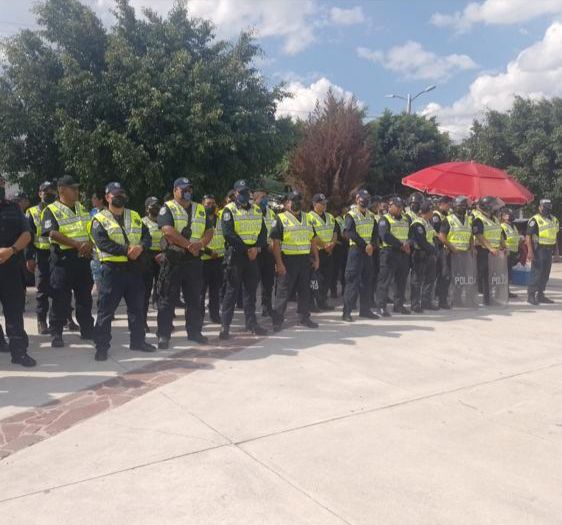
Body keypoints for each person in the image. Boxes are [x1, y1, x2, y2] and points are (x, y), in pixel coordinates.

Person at [90, 183, 155, 361]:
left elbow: (147, 236)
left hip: (134, 270)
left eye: (122, 193)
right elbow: (102, 242)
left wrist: (141, 247)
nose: (120, 196)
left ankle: (138, 341)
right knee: (106, 311)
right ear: (107, 197)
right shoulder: (99, 219)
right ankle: (102, 347)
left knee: (137, 308)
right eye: (115, 194)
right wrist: (127, 250)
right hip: (112, 271)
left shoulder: (134, 215)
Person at [156, 177, 213, 348]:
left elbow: (209, 230)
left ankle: (194, 332)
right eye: (183, 189)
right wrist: (188, 244)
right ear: (175, 191)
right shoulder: (167, 208)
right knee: (167, 299)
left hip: (194, 261)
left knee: (194, 299)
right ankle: (164, 335)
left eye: (189, 189)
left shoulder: (200, 209)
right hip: (174, 261)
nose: (187, 192)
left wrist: (201, 244)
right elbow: (167, 230)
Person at [41, 175, 94, 348]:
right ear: (62, 190)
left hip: (82, 260)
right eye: (73, 188)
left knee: (84, 298)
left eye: (77, 188)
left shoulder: (81, 208)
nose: (77, 191)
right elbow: (52, 233)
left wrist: (89, 244)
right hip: (63, 262)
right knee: (60, 299)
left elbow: (90, 228)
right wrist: (77, 244)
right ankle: (56, 333)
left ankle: (87, 329)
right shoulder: (51, 210)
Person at [219, 180, 268, 339]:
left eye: (247, 192)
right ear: (235, 193)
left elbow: (263, 232)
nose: (245, 195)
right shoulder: (229, 210)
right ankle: (225, 326)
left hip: (252, 255)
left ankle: (251, 323)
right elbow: (228, 234)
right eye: (241, 192)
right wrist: (247, 249)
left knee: (251, 292)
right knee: (231, 292)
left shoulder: (256, 210)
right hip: (236, 256)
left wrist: (256, 248)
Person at [270, 191, 319, 332]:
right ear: (287, 203)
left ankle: (304, 317)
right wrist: (279, 263)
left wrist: (316, 258)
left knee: (305, 290)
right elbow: (275, 243)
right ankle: (277, 320)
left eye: (298, 200)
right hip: (288, 260)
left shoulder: (308, 218)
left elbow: (313, 240)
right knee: (283, 291)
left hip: (304, 259)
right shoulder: (280, 218)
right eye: (293, 200)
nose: (296, 202)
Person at [0, 175, 36, 367]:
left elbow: (27, 233)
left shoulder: (13, 208)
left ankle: (19, 353)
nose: (1, 185)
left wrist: (11, 250)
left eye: (2, 182)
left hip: (11, 268)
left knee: (14, 312)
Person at [25, 181, 58, 335]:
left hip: (58, 253)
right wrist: (29, 257)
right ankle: (41, 321)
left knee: (61, 288)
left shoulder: (59, 209)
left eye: (52, 190)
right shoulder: (31, 212)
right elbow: (28, 237)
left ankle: (64, 319)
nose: (49, 193)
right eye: (46, 191)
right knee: (42, 289)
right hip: (42, 255)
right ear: (40, 193)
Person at [342, 189, 379, 321]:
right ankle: (347, 312)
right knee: (352, 282)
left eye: (366, 199)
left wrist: (372, 246)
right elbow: (349, 233)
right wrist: (366, 245)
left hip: (368, 252)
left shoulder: (371, 216)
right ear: (357, 199)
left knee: (367, 281)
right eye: (362, 199)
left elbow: (375, 234)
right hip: (356, 251)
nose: (364, 202)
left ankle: (365, 310)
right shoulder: (351, 215)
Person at [376, 196, 411, 316]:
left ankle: (398, 305)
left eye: (401, 206)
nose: (400, 208)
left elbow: (411, 234)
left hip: (403, 254)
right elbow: (385, 236)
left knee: (401, 281)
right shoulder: (384, 219)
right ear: (390, 206)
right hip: (389, 253)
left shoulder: (406, 219)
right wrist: (400, 244)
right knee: (384, 281)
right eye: (397, 206)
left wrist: (408, 244)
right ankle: (381, 307)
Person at [526, 199, 559, 305]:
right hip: (538, 249)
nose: (546, 209)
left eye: (548, 207)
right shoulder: (534, 220)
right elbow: (528, 236)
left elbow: (555, 236)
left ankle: (540, 295)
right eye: (544, 207)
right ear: (540, 207)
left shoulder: (554, 220)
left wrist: (557, 251)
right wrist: (530, 251)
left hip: (549, 250)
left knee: (545, 273)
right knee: (536, 272)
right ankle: (531, 295)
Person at [472, 196, 503, 305]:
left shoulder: (495, 219)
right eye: (492, 206)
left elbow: (499, 234)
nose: (494, 208)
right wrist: (490, 248)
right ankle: (472, 298)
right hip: (483, 250)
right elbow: (479, 235)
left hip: (493, 252)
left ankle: (488, 299)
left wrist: (503, 246)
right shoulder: (478, 219)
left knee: (490, 277)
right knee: (480, 275)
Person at [308, 193, 337, 311]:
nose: (325, 205)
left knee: (327, 278)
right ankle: (312, 303)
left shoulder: (330, 216)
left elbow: (335, 232)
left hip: (329, 252)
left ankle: (322, 301)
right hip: (316, 252)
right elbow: (312, 235)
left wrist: (332, 243)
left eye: (325, 203)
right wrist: (324, 245)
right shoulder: (309, 217)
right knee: (315, 280)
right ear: (315, 204)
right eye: (322, 203)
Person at [200, 194, 224, 325]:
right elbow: (195, 240)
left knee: (216, 290)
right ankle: (200, 316)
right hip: (203, 259)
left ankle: (214, 314)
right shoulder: (199, 220)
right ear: (202, 204)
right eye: (208, 203)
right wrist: (208, 251)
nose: (211, 206)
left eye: (213, 203)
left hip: (218, 260)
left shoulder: (220, 219)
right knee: (200, 291)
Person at [409, 200, 437, 313]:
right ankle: (415, 304)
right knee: (417, 280)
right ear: (427, 211)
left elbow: (433, 236)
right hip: (420, 254)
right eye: (431, 210)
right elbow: (422, 242)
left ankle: (426, 302)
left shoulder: (427, 222)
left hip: (429, 255)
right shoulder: (418, 223)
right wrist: (433, 250)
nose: (433, 213)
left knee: (430, 279)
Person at [253, 188, 276, 317]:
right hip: (256, 251)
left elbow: (275, 232)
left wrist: (273, 243)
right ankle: (251, 310)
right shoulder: (250, 212)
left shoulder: (272, 213)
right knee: (252, 282)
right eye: (262, 198)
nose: (265, 200)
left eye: (266, 197)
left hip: (269, 251)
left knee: (268, 282)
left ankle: (267, 307)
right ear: (255, 199)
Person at [142, 197, 163, 328]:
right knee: (145, 291)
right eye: (152, 206)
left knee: (162, 290)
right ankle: (142, 321)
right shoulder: (142, 222)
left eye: (157, 206)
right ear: (147, 208)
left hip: (162, 256)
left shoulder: (163, 221)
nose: (155, 208)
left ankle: (164, 321)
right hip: (147, 257)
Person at [432, 196, 452, 309]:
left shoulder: (446, 215)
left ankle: (441, 297)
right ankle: (441, 299)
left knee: (443, 275)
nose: (449, 206)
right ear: (441, 204)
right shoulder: (436, 216)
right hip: (439, 248)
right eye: (448, 204)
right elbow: (438, 234)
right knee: (443, 275)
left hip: (444, 248)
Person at [501, 209, 520, 299]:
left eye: (511, 214)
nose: (510, 215)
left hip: (514, 252)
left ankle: (507, 291)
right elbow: (502, 240)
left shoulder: (513, 226)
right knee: (505, 273)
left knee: (509, 273)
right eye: (508, 214)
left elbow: (516, 237)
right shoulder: (502, 226)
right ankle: (504, 292)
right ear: (503, 216)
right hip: (506, 252)